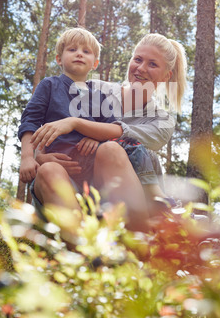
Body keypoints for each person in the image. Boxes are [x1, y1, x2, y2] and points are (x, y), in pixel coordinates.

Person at [31, 33, 187, 221]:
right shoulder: (95, 89)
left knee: (112, 149)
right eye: (137, 59)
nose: (141, 68)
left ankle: (144, 235)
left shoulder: (162, 119)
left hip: (126, 202)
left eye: (153, 64)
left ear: (166, 76)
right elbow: (53, 115)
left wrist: (80, 125)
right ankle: (78, 236)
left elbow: (118, 133)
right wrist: (39, 155)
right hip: (70, 188)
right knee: (49, 171)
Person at [18, 28, 152, 246]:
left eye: (86, 51)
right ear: (59, 58)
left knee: (112, 149)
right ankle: (82, 251)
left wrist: (98, 138)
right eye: (72, 49)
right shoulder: (49, 86)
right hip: (60, 176)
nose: (79, 53)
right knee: (49, 170)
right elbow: (30, 121)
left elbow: (111, 128)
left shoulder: (99, 95)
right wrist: (28, 157)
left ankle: (141, 242)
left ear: (95, 63)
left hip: (96, 179)